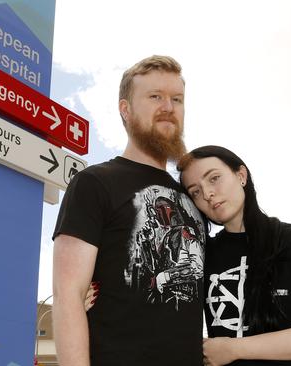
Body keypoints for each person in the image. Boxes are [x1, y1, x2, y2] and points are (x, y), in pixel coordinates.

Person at [52, 56, 207, 366]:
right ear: (125, 109)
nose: (168, 107)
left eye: (176, 99)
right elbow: (68, 294)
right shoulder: (93, 183)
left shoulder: (195, 199)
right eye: (155, 97)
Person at [176, 145, 291, 366]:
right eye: (195, 191)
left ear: (241, 175)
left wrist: (233, 349)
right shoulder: (200, 257)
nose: (207, 194)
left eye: (214, 178)